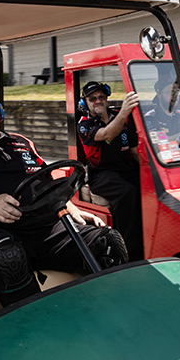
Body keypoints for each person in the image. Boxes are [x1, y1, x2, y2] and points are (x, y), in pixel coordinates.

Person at [0, 85, 128, 307]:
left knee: (108, 241)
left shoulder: (22, 142)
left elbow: (49, 184)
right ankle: (34, 323)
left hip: (42, 229)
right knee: (8, 253)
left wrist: (71, 209)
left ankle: (109, 310)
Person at [76, 81, 143, 261]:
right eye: (92, 99)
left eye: (101, 97)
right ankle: (130, 253)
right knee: (128, 193)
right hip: (101, 175)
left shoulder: (121, 116)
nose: (98, 101)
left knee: (151, 188)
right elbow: (106, 134)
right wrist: (124, 112)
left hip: (126, 169)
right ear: (85, 103)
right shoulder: (84, 125)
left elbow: (134, 149)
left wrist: (150, 170)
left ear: (106, 99)